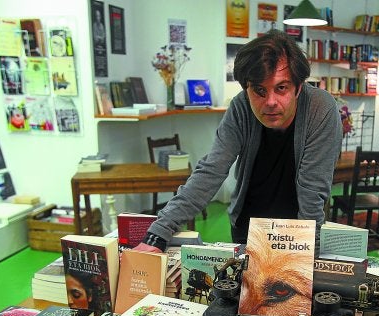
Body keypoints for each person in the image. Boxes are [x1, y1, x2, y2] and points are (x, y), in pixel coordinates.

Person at [136, 29, 342, 253]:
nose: (270, 102)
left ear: (298, 87)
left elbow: (313, 189)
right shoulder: (241, 107)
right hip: (248, 226)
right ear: (246, 89)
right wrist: (157, 234)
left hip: (297, 231)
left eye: (281, 88)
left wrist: (309, 254)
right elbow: (211, 171)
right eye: (259, 90)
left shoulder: (320, 108)